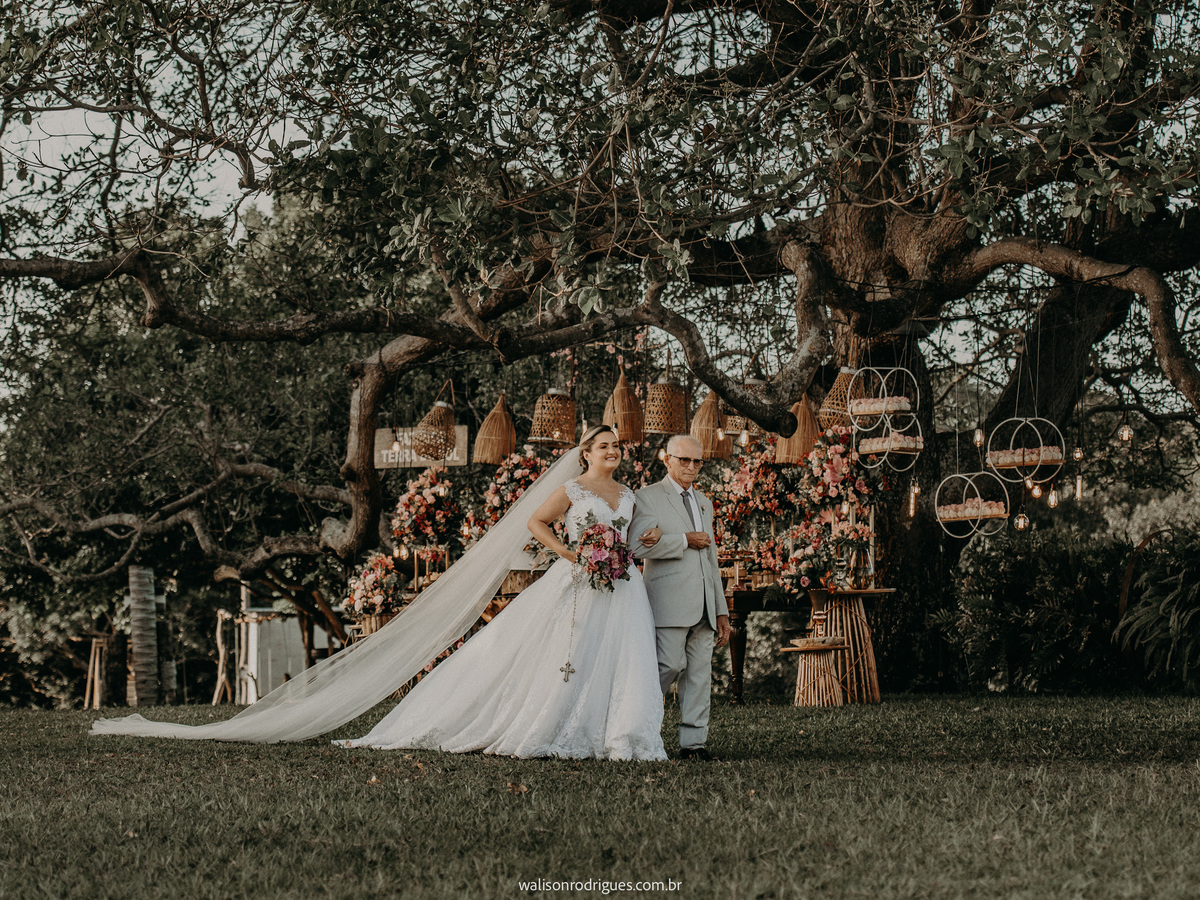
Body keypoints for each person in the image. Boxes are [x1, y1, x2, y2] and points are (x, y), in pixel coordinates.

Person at [338, 425, 667, 760]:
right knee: (570, 649)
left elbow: (632, 534)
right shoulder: (573, 489)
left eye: (616, 446)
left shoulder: (628, 494)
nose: (612, 451)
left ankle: (621, 730)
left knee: (622, 653)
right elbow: (536, 522)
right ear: (586, 453)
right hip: (579, 578)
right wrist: (568, 552)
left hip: (622, 583)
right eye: (603, 446)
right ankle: (556, 722)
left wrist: (650, 535)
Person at [629, 434, 731, 761]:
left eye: (696, 461)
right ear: (666, 459)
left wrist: (721, 610)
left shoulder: (705, 501)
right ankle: (639, 735)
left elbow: (711, 559)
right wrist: (684, 540)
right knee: (666, 666)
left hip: (705, 604)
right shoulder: (647, 497)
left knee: (700, 676)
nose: (690, 466)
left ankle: (693, 745)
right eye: (683, 459)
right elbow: (638, 547)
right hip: (668, 601)